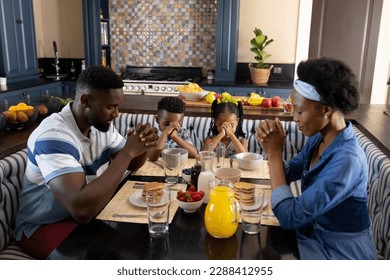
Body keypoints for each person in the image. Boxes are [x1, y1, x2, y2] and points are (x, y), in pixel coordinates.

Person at [14, 66, 158, 259]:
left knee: (142, 243)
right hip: (42, 226)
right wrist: (128, 152)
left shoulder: (100, 126)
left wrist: (142, 143)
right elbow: (81, 210)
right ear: (86, 101)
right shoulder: (53, 136)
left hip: (85, 218)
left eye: (117, 106)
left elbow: (133, 164)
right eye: (110, 107)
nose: (116, 114)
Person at [255, 57, 377, 260]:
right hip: (312, 235)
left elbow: (289, 216)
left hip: (341, 251)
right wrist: (270, 145)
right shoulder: (319, 140)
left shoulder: (347, 160)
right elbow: (287, 173)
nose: (294, 118)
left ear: (326, 110)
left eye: (300, 111)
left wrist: (274, 153)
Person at [147, 96, 197, 161]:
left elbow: (194, 154)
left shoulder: (182, 133)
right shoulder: (153, 134)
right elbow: (152, 157)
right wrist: (164, 134)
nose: (171, 127)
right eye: (167, 124)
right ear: (157, 120)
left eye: (176, 124)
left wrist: (175, 137)